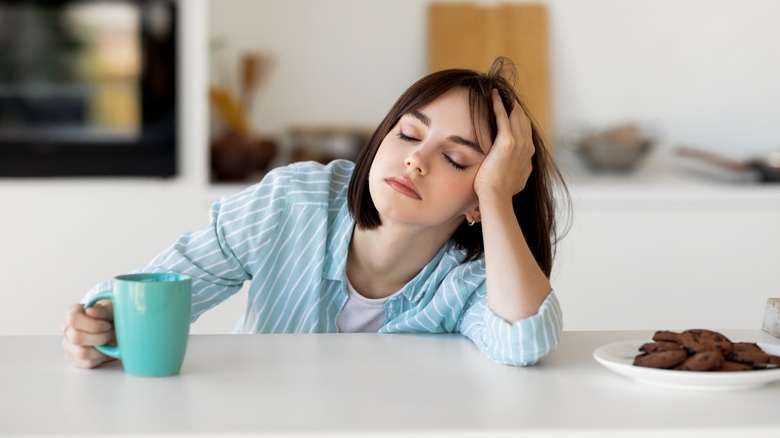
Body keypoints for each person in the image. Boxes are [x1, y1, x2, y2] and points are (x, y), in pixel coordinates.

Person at [62, 57, 569, 368]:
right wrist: (104, 323)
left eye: (456, 158)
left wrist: (499, 198)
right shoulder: (293, 201)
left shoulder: (473, 278)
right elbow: (158, 291)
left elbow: (523, 339)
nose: (416, 159)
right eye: (408, 134)